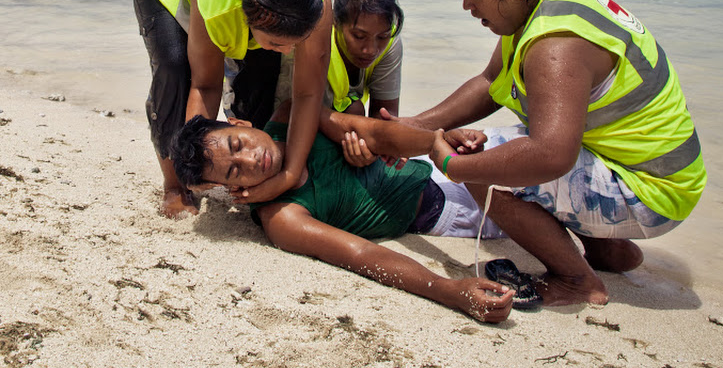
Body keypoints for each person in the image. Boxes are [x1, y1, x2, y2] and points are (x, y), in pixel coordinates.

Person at [404, 0, 707, 307]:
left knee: (486, 161)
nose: (466, 5)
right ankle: (606, 251)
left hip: (651, 191)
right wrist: (414, 128)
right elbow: (490, 82)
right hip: (648, 170)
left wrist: (454, 168)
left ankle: (576, 280)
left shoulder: (556, 42)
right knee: (503, 150)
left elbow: (551, 155)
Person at [170, 109, 514, 322]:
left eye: (236, 144)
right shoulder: (282, 218)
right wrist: (449, 290)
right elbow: (362, 254)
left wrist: (438, 141)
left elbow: (374, 133)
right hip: (447, 210)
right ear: (231, 190)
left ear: (239, 122)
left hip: (437, 161)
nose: (249, 159)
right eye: (234, 172)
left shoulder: (291, 115)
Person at [131, 0, 332, 218]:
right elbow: (205, 86)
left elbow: (308, 93)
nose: (290, 51)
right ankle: (173, 186)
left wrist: (290, 174)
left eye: (298, 42)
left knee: (262, 75)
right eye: (280, 43)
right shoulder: (219, 2)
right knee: (173, 65)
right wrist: (190, 169)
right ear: (247, 19)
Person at [326, 0, 404, 117]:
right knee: (355, 110)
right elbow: (304, 109)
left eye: (382, 37)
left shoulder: (391, 42)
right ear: (336, 21)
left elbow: (385, 117)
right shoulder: (320, 38)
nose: (371, 50)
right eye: (359, 36)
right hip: (303, 118)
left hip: (344, 123)